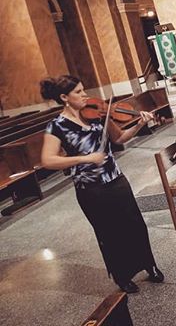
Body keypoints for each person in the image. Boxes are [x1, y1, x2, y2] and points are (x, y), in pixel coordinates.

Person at [40, 75, 164, 294]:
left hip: (116, 179)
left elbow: (120, 138)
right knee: (109, 232)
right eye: (78, 92)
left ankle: (149, 264)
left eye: (83, 90)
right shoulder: (56, 126)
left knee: (135, 224)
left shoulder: (96, 115)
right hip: (91, 189)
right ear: (64, 97)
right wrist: (84, 158)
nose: (85, 95)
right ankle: (122, 275)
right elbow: (48, 160)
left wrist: (140, 124)